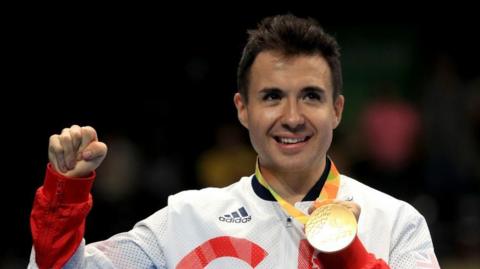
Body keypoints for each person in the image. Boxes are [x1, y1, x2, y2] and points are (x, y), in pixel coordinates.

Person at [28, 14, 439, 269]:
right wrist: (63, 197)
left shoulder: (396, 223)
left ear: (337, 109)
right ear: (243, 109)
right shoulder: (185, 221)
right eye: (272, 96)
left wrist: (346, 255)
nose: (292, 117)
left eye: (311, 96)